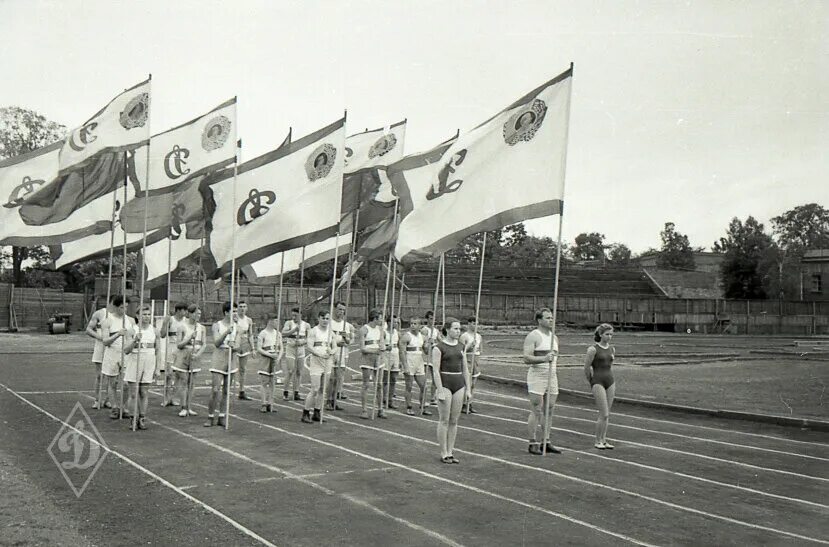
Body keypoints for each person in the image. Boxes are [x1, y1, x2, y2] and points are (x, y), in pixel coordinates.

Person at [522, 308, 562, 455]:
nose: (551, 320)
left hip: (552, 376)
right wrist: (544, 359)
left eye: (552, 318)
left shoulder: (554, 338)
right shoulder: (533, 336)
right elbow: (526, 358)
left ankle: (546, 440)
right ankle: (532, 442)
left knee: (550, 409)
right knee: (537, 409)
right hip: (537, 375)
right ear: (539, 320)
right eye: (547, 318)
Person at [432, 318, 471, 464]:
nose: (458, 331)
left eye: (459, 329)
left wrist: (468, 389)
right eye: (455, 328)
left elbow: (465, 369)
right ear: (447, 329)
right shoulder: (439, 347)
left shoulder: (461, 346)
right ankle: (443, 452)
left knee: (454, 420)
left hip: (459, 383)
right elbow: (435, 370)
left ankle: (450, 451)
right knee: (444, 420)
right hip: (445, 383)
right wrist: (440, 389)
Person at [123, 305, 158, 430]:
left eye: (149, 314)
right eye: (144, 314)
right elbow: (126, 350)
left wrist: (157, 368)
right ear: (137, 316)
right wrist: (135, 341)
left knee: (144, 392)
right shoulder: (132, 330)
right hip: (135, 362)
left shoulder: (154, 330)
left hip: (149, 362)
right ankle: (133, 418)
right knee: (133, 393)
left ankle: (142, 418)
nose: (147, 317)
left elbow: (157, 351)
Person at [101, 295, 136, 420]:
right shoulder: (107, 321)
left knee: (127, 383)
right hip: (112, 354)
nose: (124, 310)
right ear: (115, 307)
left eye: (126, 307)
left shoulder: (131, 321)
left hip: (126, 354)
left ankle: (124, 407)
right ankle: (114, 407)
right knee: (113, 382)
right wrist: (117, 334)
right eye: (122, 307)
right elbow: (105, 341)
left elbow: (131, 339)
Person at [205, 302, 238, 428]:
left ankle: (222, 416)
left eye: (236, 311)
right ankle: (210, 416)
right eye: (233, 311)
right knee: (215, 390)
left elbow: (239, 346)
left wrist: (234, 346)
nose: (236, 314)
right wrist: (226, 333)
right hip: (219, 357)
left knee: (226, 391)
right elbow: (217, 343)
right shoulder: (216, 325)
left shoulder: (237, 327)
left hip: (231, 358)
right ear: (226, 312)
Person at [585, 323, 616, 450]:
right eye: (607, 334)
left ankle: (604, 439)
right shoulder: (593, 349)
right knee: (603, 413)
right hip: (598, 381)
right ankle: (598, 440)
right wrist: (591, 381)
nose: (609, 337)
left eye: (611, 334)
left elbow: (610, 365)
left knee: (607, 414)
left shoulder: (612, 349)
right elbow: (586, 368)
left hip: (610, 380)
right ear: (600, 334)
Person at [173, 304, 206, 417]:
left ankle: (189, 406)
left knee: (192, 383)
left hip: (195, 355)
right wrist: (189, 338)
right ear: (190, 314)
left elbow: (204, 344)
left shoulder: (202, 328)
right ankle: (183, 407)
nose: (198, 316)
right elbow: (179, 345)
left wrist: (198, 354)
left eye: (200, 314)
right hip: (183, 355)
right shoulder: (182, 327)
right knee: (184, 381)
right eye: (196, 313)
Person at [302, 311, 333, 423]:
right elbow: (309, 347)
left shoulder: (330, 332)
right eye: (323, 318)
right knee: (315, 389)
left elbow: (334, 346)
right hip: (316, 362)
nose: (325, 320)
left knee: (323, 389)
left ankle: (317, 412)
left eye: (327, 318)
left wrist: (331, 351)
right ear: (319, 318)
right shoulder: (313, 331)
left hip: (327, 362)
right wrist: (319, 354)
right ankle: (305, 413)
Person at [399, 316, 430, 416]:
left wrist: (427, 345)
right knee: (409, 386)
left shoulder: (423, 337)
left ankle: (423, 407)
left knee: (424, 386)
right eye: (411, 323)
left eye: (415, 324)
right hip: (409, 362)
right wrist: (405, 366)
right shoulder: (406, 336)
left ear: (420, 325)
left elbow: (426, 352)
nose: (412, 325)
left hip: (419, 363)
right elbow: (402, 352)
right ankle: (409, 407)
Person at [359, 310, 387, 419]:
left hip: (379, 359)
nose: (382, 320)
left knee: (379, 384)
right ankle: (364, 409)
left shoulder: (381, 330)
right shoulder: (364, 329)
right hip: (367, 359)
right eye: (381, 318)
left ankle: (380, 409)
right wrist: (374, 351)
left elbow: (383, 344)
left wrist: (383, 348)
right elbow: (362, 348)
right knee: (366, 384)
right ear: (375, 318)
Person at [158, 302, 187, 407]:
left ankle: (173, 397)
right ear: (178, 310)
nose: (185, 312)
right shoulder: (170, 320)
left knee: (179, 375)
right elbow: (162, 335)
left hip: (181, 349)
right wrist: (165, 323)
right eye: (184, 310)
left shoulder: (186, 321)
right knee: (169, 375)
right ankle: (166, 397)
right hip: (171, 348)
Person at [86, 295, 113, 410]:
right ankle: (97, 399)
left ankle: (107, 399)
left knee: (110, 376)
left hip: (112, 348)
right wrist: (100, 337)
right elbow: (88, 329)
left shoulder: (120, 317)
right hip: (100, 347)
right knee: (99, 376)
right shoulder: (99, 313)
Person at [328, 300, 355, 409]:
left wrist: (346, 338)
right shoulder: (329, 322)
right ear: (334, 309)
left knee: (338, 378)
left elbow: (350, 341)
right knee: (331, 378)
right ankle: (328, 400)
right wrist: (335, 343)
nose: (341, 312)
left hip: (342, 352)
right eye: (339, 309)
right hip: (331, 352)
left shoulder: (346, 325)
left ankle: (334, 401)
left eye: (343, 310)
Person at [257, 312, 283, 413]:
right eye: (276, 320)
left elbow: (281, 348)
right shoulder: (263, 333)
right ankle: (263, 403)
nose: (277, 322)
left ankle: (270, 403)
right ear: (270, 321)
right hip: (266, 359)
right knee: (264, 382)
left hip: (275, 359)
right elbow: (259, 348)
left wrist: (279, 358)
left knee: (273, 382)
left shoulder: (278, 334)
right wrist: (269, 355)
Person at [281, 307, 309, 401]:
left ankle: (296, 392)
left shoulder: (306, 325)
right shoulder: (289, 323)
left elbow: (309, 339)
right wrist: (294, 330)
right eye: (292, 315)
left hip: (300, 349)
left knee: (299, 372)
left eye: (296, 315)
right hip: (290, 349)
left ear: (300, 315)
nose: (293, 317)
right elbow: (283, 333)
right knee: (290, 370)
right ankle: (285, 392)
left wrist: (302, 342)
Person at [459, 316, 483, 414]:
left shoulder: (479, 336)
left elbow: (481, 349)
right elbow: (460, 350)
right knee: (466, 383)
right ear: (469, 324)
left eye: (476, 323)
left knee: (473, 384)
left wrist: (477, 350)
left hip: (475, 359)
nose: (475, 325)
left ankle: (470, 403)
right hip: (467, 359)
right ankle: (463, 404)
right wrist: (469, 347)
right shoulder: (464, 336)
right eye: (473, 323)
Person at [235, 301, 255, 401]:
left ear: (246, 308)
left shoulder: (249, 320)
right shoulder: (234, 318)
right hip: (235, 344)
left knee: (243, 369)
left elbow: (250, 335)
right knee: (232, 368)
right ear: (237, 308)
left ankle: (241, 391)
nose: (242, 308)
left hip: (244, 344)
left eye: (244, 306)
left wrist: (253, 348)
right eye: (240, 306)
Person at [421, 310, 441, 406]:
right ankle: (423, 398)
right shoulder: (424, 330)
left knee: (435, 378)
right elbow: (423, 345)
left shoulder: (436, 331)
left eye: (434, 319)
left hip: (434, 357)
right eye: (430, 318)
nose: (432, 320)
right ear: (427, 319)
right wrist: (429, 342)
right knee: (424, 379)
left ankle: (433, 397)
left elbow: (441, 342)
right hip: (425, 357)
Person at [381, 315, 401, 409]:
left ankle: (390, 400)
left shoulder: (397, 333)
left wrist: (400, 359)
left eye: (397, 322)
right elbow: (379, 345)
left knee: (393, 379)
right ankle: (383, 398)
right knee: (385, 379)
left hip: (395, 355)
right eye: (394, 322)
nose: (396, 324)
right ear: (388, 322)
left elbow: (400, 346)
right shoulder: (384, 332)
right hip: (386, 356)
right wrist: (385, 347)